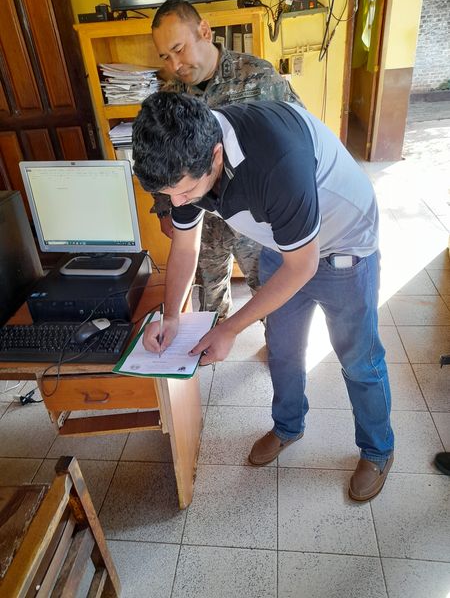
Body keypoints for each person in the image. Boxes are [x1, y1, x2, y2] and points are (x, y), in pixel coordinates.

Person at [132, 92, 395, 502]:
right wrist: (171, 316)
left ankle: (377, 450)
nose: (178, 203)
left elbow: (302, 266)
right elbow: (185, 245)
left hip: (344, 248)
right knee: (283, 350)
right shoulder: (184, 158)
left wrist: (230, 328)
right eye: (171, 195)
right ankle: (288, 426)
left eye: (185, 192)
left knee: (359, 358)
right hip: (283, 243)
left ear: (216, 155)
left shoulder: (276, 160)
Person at [150, 0, 301, 320]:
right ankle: (213, 338)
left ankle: (276, 341)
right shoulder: (170, 97)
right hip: (202, 218)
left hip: (255, 216)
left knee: (268, 289)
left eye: (179, 49)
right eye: (165, 56)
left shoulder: (258, 76)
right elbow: (162, 157)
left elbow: (299, 135)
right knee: (210, 293)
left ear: (204, 31)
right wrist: (165, 208)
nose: (175, 64)